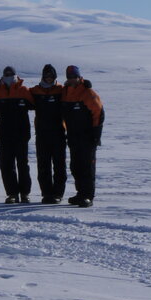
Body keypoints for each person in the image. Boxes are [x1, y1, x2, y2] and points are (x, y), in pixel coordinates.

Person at [0, 66, 35, 203]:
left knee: (23, 165)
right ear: (2, 76)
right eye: (6, 74)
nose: (9, 76)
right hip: (4, 135)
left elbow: (36, 105)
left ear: (16, 76)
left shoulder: (24, 91)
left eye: (11, 74)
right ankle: (12, 193)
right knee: (6, 165)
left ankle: (25, 193)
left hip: (22, 134)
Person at [61, 65, 104, 208]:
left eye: (74, 77)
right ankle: (80, 193)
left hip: (87, 137)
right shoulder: (65, 92)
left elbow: (98, 113)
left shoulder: (88, 93)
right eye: (70, 77)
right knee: (75, 166)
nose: (72, 79)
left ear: (79, 77)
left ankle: (88, 196)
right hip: (73, 136)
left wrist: (96, 135)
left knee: (87, 167)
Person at [29, 64, 67, 204]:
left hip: (58, 133)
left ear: (55, 77)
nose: (49, 78)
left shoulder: (61, 90)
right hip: (42, 134)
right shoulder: (35, 91)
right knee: (43, 165)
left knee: (59, 165)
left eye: (51, 76)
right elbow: (20, 93)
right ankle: (46, 193)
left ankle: (58, 193)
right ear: (43, 76)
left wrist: (85, 85)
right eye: (46, 76)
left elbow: (75, 91)